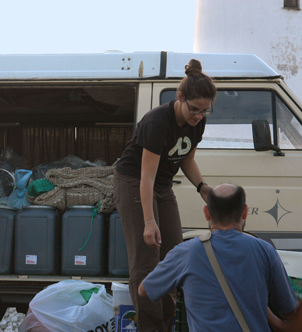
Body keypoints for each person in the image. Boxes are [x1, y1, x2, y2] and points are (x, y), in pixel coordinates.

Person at [113, 58, 216, 331]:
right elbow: (145, 176)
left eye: (205, 111)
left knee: (173, 256)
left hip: (162, 186)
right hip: (134, 181)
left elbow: (187, 159)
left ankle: (166, 325)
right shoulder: (157, 121)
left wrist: (202, 188)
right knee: (147, 259)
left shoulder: (198, 122)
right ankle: (151, 327)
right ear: (180, 97)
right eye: (194, 109)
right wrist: (149, 221)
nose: (198, 116)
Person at [138, 184, 298, 331]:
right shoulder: (265, 250)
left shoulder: (185, 253)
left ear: (207, 213)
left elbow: (144, 290)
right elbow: (290, 312)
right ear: (245, 211)